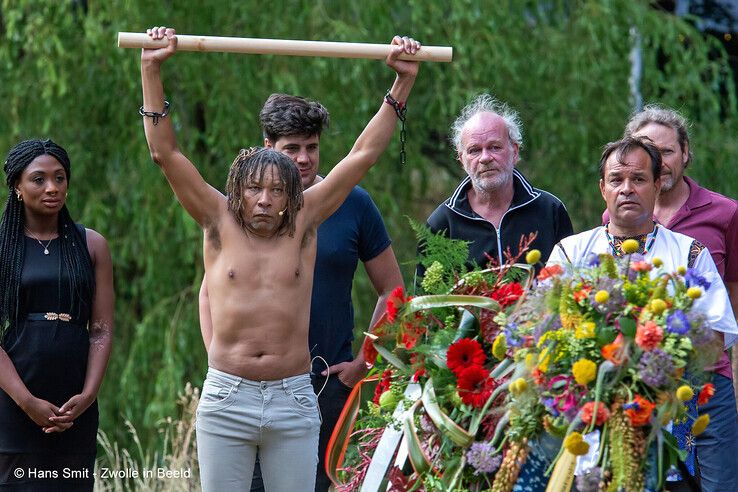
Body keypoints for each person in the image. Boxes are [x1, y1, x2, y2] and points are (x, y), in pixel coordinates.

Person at [140, 26, 419, 491]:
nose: (266, 200)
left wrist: (402, 83)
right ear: (238, 191)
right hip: (228, 395)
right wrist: (151, 68)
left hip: (294, 397)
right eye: (255, 189)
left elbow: (363, 155)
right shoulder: (216, 218)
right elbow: (163, 152)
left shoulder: (305, 222)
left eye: (276, 191)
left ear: (291, 196)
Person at [198, 93, 403, 492]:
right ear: (267, 149)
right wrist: (221, 362)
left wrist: (364, 361)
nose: (305, 159)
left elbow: (393, 288)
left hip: (327, 384)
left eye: (312, 148)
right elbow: (211, 293)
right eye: (292, 148)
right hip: (240, 388)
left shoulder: (349, 204)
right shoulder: (243, 214)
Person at [601, 106, 738, 491]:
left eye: (666, 152)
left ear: (683, 154)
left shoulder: (719, 218)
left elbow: (730, 300)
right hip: (627, 390)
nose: (628, 187)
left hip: (704, 380)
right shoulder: (600, 234)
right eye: (618, 179)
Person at [0, 139, 115, 490]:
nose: (52, 187)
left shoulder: (92, 245)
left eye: (60, 177)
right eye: (38, 179)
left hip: (74, 406)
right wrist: (27, 402)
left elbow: (101, 329)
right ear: (17, 187)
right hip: (15, 403)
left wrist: (89, 394)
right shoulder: (3, 247)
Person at [423, 94, 573, 278]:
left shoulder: (550, 210)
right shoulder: (442, 224)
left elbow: (571, 286)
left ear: (514, 152)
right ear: (462, 160)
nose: (485, 158)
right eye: (474, 150)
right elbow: (427, 302)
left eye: (495, 147)